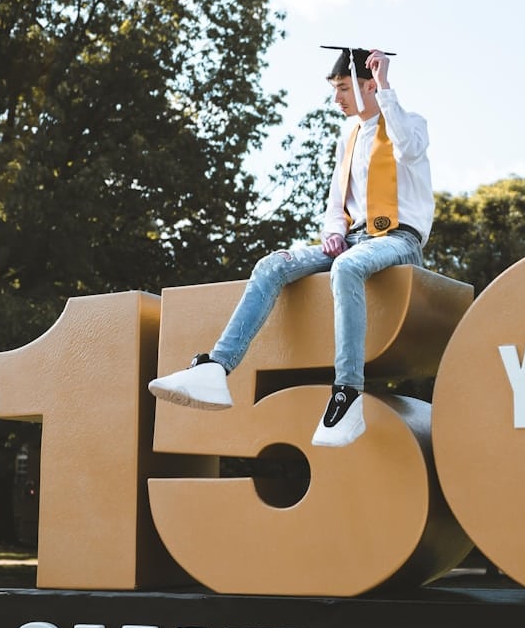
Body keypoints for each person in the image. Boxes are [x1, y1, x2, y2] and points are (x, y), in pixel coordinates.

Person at [148, 46, 434, 447]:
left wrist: (386, 86)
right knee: (272, 265)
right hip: (353, 239)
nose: (337, 98)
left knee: (347, 268)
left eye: (342, 89)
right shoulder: (348, 138)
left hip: (396, 240)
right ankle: (215, 368)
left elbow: (409, 148)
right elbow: (338, 203)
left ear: (367, 86)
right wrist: (333, 231)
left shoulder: (408, 123)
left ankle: (347, 395)